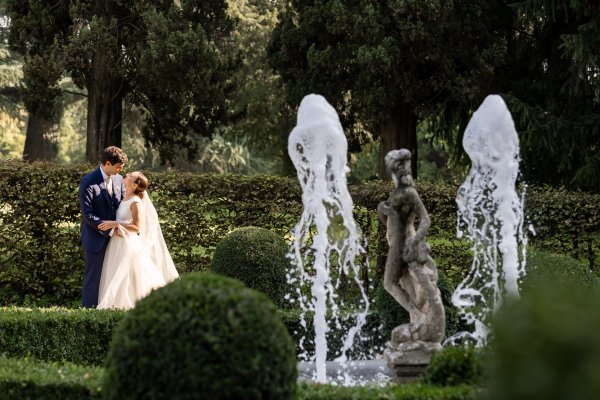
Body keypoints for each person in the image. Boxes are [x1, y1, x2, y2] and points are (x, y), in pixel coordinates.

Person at [96, 171, 179, 309]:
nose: (126, 175)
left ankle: (131, 306)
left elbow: (136, 227)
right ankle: (116, 307)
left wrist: (115, 224)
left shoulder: (135, 201)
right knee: (116, 274)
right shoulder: (123, 197)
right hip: (116, 242)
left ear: (134, 185)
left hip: (127, 244)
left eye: (130, 176)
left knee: (128, 277)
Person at [79, 146, 128, 308]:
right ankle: (89, 311)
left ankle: (108, 308)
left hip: (117, 239)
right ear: (107, 163)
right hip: (95, 238)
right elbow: (87, 214)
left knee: (112, 275)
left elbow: (120, 206)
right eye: (118, 167)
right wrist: (110, 228)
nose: (121, 170)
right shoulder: (88, 181)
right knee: (94, 277)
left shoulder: (118, 180)